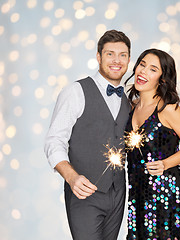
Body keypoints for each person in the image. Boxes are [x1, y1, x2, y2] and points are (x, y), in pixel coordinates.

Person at [44, 30, 131, 240]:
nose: (117, 60)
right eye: (110, 54)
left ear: (129, 59)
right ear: (98, 57)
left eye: (123, 55)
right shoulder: (75, 92)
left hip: (118, 192)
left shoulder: (131, 97)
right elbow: (54, 141)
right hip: (84, 192)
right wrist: (71, 177)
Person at [124, 48, 180, 239]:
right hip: (138, 193)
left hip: (166, 195)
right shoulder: (130, 107)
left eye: (153, 69)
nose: (143, 72)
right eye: (142, 64)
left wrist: (165, 163)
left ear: (163, 79)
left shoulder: (168, 109)